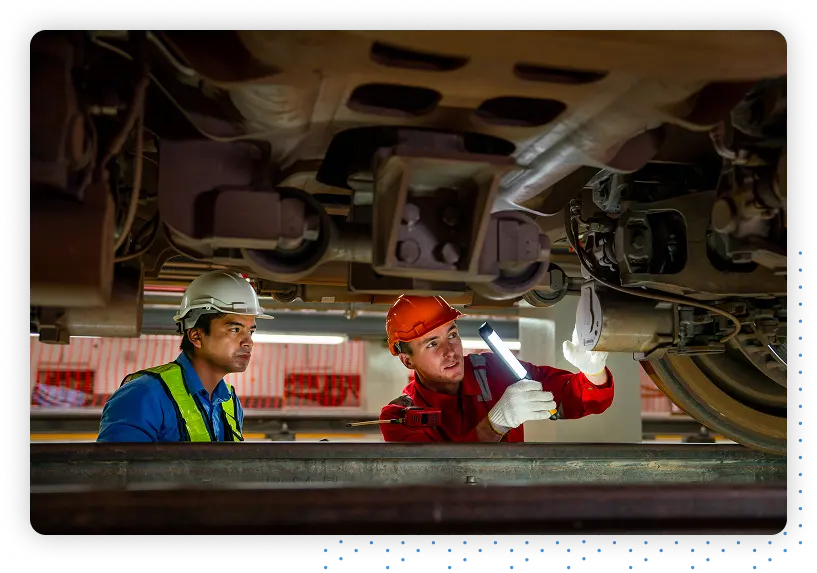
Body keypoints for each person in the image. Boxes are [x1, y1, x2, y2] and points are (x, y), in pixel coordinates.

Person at [380, 295, 614, 442]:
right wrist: (496, 423)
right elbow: (442, 481)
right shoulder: (399, 416)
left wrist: (594, 372)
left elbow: (573, 398)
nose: (450, 351)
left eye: (452, 334)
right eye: (432, 343)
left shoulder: (493, 370)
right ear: (407, 360)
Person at [97, 270, 273, 442]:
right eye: (235, 329)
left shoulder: (229, 401)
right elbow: (117, 469)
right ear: (196, 336)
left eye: (250, 331)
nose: (248, 342)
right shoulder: (143, 394)